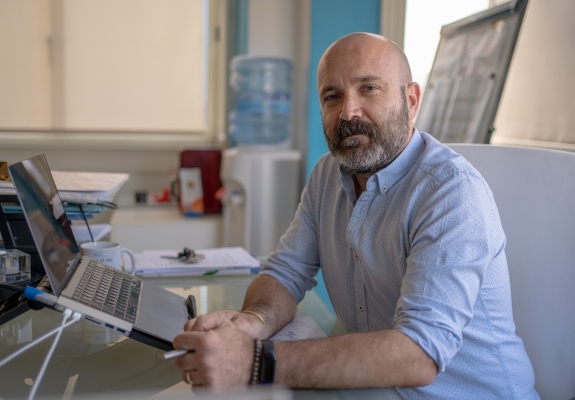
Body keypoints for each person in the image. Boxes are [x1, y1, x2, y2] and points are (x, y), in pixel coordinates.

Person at [172, 32, 540, 399]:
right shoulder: (326, 175)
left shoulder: (450, 192)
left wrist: (255, 362)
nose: (348, 112)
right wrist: (251, 324)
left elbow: (419, 353)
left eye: (369, 88)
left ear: (411, 101)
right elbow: (285, 272)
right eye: (332, 96)